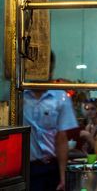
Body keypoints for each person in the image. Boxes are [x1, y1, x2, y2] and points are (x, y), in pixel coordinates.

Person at [23, 52, 78, 191]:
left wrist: (62, 177)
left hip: (50, 167)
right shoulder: (17, 94)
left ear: (51, 67)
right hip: (22, 168)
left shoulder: (60, 96)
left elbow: (61, 138)